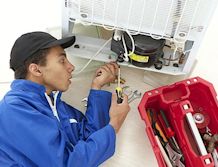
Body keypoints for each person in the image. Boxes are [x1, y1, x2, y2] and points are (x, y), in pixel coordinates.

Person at [0, 31, 130, 167]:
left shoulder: (58, 107)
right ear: (36, 70)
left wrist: (97, 87)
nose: (71, 67)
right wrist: (114, 125)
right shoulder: (15, 109)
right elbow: (68, 164)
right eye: (62, 61)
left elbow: (90, 139)